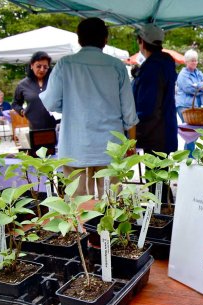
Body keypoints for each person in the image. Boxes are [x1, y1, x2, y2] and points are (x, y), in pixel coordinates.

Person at [40, 17, 138, 197]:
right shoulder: (116, 65)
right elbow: (129, 112)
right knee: (111, 203)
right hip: (111, 147)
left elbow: (51, 102)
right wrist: (131, 145)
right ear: (105, 39)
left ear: (79, 39)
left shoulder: (65, 64)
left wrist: (71, 106)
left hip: (75, 143)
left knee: (78, 205)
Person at [132, 23, 178, 154]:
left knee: (155, 173)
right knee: (161, 173)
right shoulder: (165, 62)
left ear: (141, 41)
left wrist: (134, 133)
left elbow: (148, 109)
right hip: (164, 132)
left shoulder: (152, 68)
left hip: (155, 136)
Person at [175, 49, 203, 152]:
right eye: (192, 61)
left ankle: (187, 157)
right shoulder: (183, 74)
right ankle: (189, 157)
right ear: (186, 62)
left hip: (196, 106)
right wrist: (200, 87)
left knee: (193, 132)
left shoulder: (198, 73)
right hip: (185, 106)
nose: (195, 63)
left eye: (196, 60)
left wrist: (197, 86)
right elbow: (189, 89)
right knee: (191, 132)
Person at [12, 51, 57, 130]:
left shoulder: (55, 81)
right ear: (32, 65)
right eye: (38, 66)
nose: (42, 70)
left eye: (45, 67)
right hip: (35, 128)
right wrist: (22, 111)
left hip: (56, 126)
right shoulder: (23, 84)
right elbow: (15, 103)